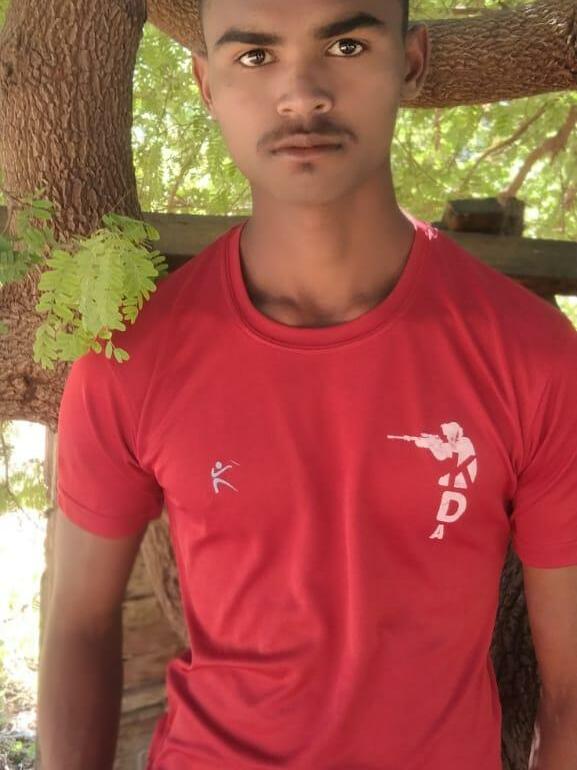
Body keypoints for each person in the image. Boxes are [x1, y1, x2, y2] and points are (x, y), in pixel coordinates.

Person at [38, 0, 577, 768]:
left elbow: (569, 690)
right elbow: (78, 628)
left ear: (410, 62)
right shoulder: (131, 358)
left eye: (346, 45)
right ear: (205, 84)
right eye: (255, 57)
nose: (300, 94)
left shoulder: (532, 356)